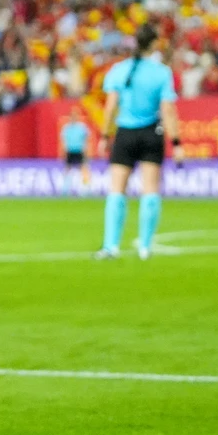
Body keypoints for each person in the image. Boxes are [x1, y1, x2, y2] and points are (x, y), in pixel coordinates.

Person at [97, 24, 181, 261]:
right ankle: (145, 247)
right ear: (154, 44)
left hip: (125, 132)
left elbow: (111, 106)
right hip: (151, 132)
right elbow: (168, 110)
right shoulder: (161, 72)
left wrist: (105, 136)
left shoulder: (118, 70)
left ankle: (111, 246)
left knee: (116, 189)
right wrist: (176, 142)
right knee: (151, 189)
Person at [60, 109, 91, 192]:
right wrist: (63, 152)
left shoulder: (82, 127)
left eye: (75, 116)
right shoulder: (66, 128)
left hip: (80, 150)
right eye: (72, 116)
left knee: (84, 169)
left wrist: (87, 151)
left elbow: (87, 140)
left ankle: (86, 187)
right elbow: (64, 141)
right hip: (70, 150)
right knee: (67, 169)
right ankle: (65, 188)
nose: (73, 118)